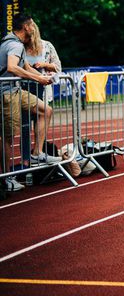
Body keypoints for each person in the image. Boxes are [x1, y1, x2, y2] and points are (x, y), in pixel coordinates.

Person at [1, 15, 60, 192]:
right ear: (26, 27)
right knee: (8, 137)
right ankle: (6, 177)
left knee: (45, 111)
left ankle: (36, 154)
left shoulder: (13, 43)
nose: (35, 27)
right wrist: (38, 78)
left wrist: (41, 78)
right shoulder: (15, 45)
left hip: (17, 90)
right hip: (6, 93)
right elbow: (12, 67)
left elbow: (25, 67)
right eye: (32, 24)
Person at [21, 21, 62, 163]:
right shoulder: (19, 47)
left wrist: (44, 65)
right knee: (24, 125)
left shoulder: (47, 46)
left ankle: (37, 152)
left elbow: (58, 67)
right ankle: (26, 160)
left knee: (41, 117)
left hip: (42, 90)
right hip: (22, 89)